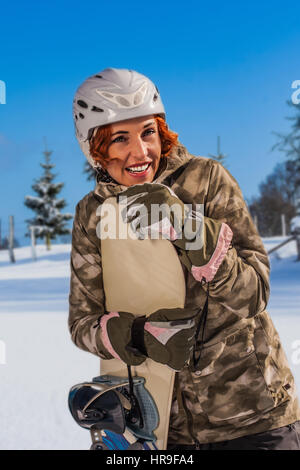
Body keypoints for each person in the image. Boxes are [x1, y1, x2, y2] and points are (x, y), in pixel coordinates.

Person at [68, 67, 300, 450]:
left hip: (253, 417)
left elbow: (254, 292)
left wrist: (191, 232)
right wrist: (138, 335)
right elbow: (83, 322)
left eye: (148, 132)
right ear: (94, 147)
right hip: (160, 426)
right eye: (120, 138)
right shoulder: (92, 215)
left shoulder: (206, 180)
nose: (140, 152)